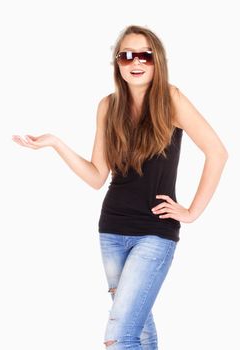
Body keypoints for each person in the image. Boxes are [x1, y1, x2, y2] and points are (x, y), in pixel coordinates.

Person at [12, 25, 228, 350]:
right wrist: (56, 143)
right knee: (138, 329)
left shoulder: (171, 99)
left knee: (118, 335)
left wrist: (193, 211)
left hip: (155, 232)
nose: (135, 62)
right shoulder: (107, 106)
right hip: (111, 230)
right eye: (127, 55)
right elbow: (98, 175)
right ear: (117, 62)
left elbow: (217, 152)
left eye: (145, 55)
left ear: (157, 61)